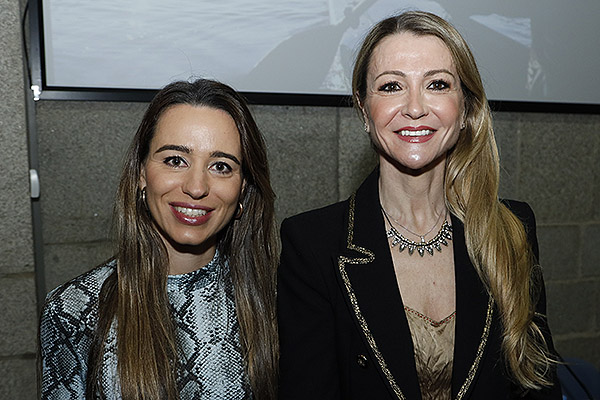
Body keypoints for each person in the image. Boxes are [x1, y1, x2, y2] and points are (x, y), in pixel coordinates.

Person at [277, 11, 561, 400]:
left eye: (437, 84)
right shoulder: (312, 245)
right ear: (363, 108)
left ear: (465, 109)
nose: (414, 107)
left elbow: (537, 384)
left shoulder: (512, 229)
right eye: (392, 86)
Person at [39, 79, 278, 400]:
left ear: (243, 190)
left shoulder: (280, 301)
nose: (196, 187)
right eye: (175, 160)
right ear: (141, 174)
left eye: (221, 166)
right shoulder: (74, 310)